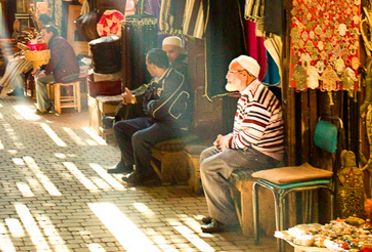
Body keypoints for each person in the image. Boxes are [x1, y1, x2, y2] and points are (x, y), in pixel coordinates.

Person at [199, 55, 284, 233]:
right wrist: (225, 142)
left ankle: (225, 220)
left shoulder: (257, 99)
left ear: (245, 75)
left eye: (231, 72)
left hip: (262, 155)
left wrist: (225, 142)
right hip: (251, 149)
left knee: (209, 166)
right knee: (206, 155)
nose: (227, 76)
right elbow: (243, 132)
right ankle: (220, 212)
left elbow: (248, 139)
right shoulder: (248, 95)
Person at [108, 48, 192, 185]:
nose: (147, 68)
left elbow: (159, 109)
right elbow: (148, 101)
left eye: (147, 65)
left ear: (153, 65)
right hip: (157, 120)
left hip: (173, 125)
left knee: (139, 137)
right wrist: (150, 104)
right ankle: (129, 164)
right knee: (120, 127)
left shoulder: (175, 79)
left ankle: (145, 174)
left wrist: (151, 104)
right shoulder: (157, 79)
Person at [34, 25, 80, 114]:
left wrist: (46, 72)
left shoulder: (57, 42)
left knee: (39, 80)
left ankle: (43, 108)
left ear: (50, 33)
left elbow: (54, 60)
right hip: (65, 72)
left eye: (43, 34)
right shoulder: (56, 41)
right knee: (38, 76)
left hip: (67, 74)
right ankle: (45, 105)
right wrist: (41, 68)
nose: (42, 36)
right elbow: (53, 60)